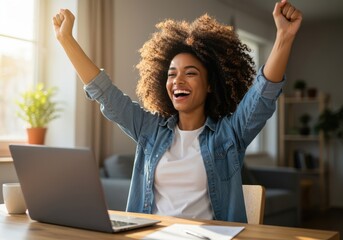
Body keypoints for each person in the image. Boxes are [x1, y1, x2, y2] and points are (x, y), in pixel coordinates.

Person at [53, 0, 302, 222]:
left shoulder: (229, 135)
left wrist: (284, 37)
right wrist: (66, 39)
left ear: (210, 85)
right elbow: (105, 93)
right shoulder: (149, 130)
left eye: (190, 73)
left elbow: (263, 94)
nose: (177, 81)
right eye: (172, 74)